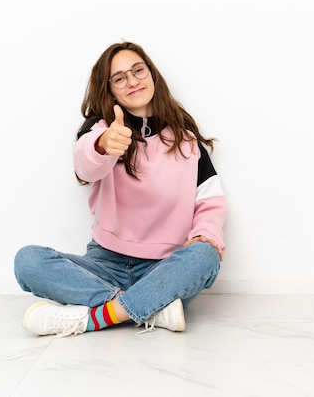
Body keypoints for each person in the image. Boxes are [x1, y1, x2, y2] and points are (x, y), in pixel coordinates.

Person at [14, 41, 226, 337]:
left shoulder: (186, 142)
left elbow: (210, 201)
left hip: (164, 268)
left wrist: (205, 233)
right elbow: (85, 164)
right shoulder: (100, 130)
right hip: (105, 263)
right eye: (120, 77)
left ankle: (94, 318)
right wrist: (103, 145)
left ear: (152, 75)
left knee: (205, 255)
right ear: (110, 89)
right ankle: (151, 308)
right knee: (28, 261)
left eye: (138, 70)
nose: (132, 81)